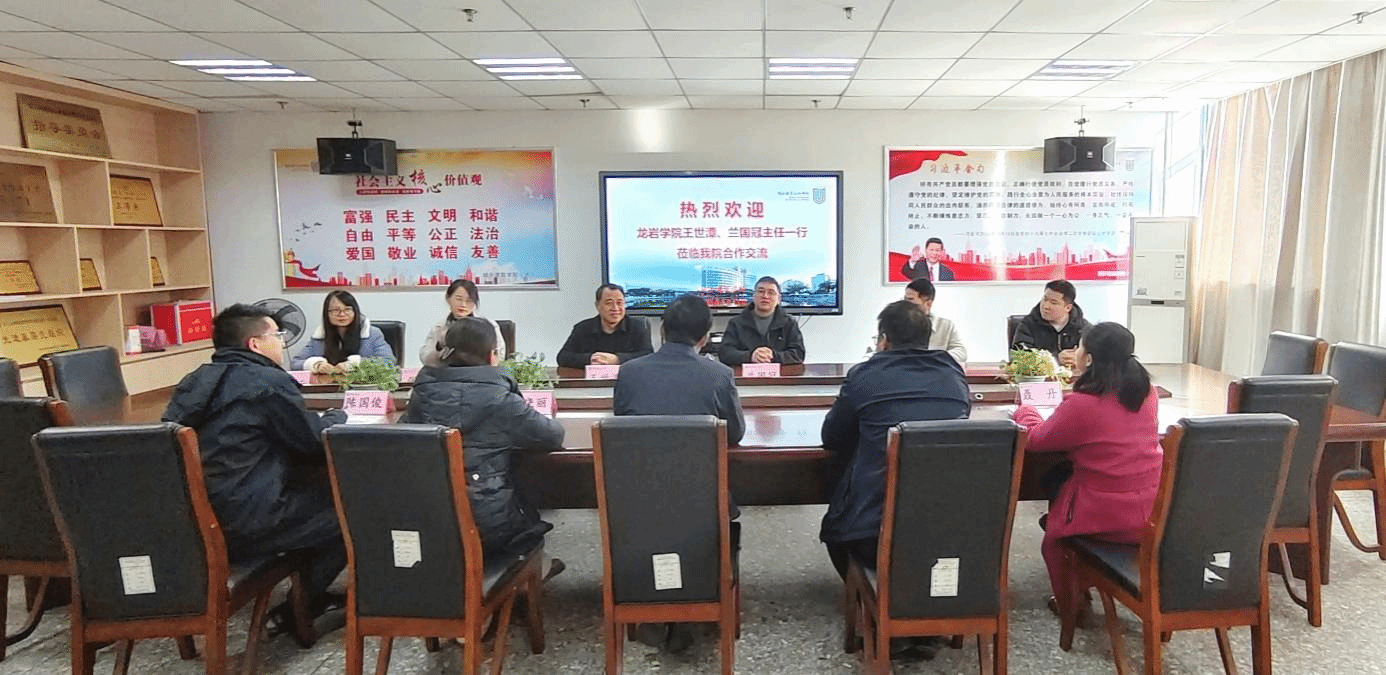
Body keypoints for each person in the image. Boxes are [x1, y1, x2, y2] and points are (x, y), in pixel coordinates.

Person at [162, 303, 349, 636]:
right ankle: (298, 607)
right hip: (249, 521)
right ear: (255, 344)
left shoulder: (194, 381)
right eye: (276, 335)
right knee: (349, 510)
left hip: (193, 524)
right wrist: (337, 416)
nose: (281, 342)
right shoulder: (267, 382)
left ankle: (303, 593)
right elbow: (313, 441)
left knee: (314, 495)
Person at [820, 300, 970, 661]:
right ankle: (925, 613)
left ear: (883, 339)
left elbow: (833, 437)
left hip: (875, 530)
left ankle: (883, 609)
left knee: (838, 533)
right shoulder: (952, 373)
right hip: (950, 531)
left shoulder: (865, 375)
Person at [613, 294, 745, 653]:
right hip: (703, 509)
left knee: (659, 518)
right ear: (705, 337)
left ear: (662, 329)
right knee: (710, 512)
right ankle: (695, 604)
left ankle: (657, 605)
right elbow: (734, 433)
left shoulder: (630, 373)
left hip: (639, 510)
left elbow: (623, 429)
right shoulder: (718, 375)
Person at [1011, 322, 1161, 627]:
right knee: (1059, 478)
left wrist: (1026, 410)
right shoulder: (1147, 394)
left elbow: (1037, 439)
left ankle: (1073, 603)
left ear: (1089, 358)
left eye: (1080, 347)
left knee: (1054, 518)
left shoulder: (1082, 405)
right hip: (1152, 512)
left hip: (1104, 514)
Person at [405, 316, 565, 562]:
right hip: (488, 525)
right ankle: (520, 572)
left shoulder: (422, 393)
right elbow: (552, 436)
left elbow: (404, 436)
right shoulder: (501, 400)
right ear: (492, 355)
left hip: (428, 517)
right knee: (529, 515)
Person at [290, 290, 395, 372]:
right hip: (330, 386)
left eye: (347, 309)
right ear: (327, 314)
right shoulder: (320, 336)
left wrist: (355, 364)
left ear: (355, 311)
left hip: (363, 385)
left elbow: (388, 362)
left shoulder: (372, 334)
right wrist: (317, 365)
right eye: (336, 310)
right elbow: (295, 362)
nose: (342, 314)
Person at [556, 283, 654, 368]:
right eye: (609, 303)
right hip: (593, 381)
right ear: (597, 306)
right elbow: (563, 357)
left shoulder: (638, 326)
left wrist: (618, 359)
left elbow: (647, 355)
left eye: (619, 303)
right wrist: (590, 359)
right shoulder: (583, 328)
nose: (615, 308)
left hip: (627, 379)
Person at [718, 276, 806, 367]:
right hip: (745, 375)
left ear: (779, 298)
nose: (765, 296)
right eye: (761, 291)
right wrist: (750, 356)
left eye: (771, 292)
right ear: (753, 296)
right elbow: (725, 353)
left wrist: (773, 356)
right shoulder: (736, 323)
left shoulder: (789, 323)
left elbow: (799, 354)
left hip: (781, 375)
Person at [420, 279, 505, 367]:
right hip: (448, 372)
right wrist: (439, 347)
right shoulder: (440, 327)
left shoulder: (488, 326)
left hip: (480, 372)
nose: (463, 305)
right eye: (458, 299)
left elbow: (500, 357)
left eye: (469, 300)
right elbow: (426, 359)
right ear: (448, 299)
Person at [1012, 279, 1091, 368]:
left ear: (1068, 308)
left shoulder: (1084, 328)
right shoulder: (1028, 324)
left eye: (1053, 303)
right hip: (1039, 376)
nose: (1046, 306)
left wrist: (1080, 358)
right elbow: (1018, 357)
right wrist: (1055, 359)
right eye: (1044, 299)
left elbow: (1097, 358)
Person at [903, 277, 967, 365]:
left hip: (935, 369)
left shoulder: (945, 325)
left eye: (910, 300)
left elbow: (961, 352)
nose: (904, 304)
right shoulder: (895, 323)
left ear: (928, 303)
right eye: (905, 299)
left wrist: (935, 357)